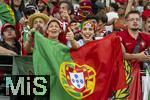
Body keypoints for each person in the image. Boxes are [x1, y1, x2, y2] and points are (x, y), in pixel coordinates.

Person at [117, 10, 150, 100]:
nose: (135, 21)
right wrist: (139, 56)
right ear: (126, 22)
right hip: (124, 77)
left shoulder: (147, 37)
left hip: (143, 78)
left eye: (137, 19)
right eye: (132, 19)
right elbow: (121, 55)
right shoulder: (119, 36)